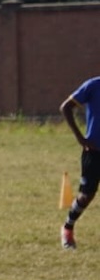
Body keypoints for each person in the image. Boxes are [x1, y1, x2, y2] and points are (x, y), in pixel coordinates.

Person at [60, 76, 100, 249]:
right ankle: (67, 228)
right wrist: (80, 137)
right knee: (86, 196)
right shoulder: (93, 86)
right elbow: (66, 107)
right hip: (94, 151)